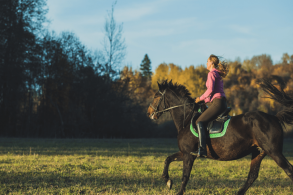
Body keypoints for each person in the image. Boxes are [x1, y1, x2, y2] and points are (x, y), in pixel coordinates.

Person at [192, 54, 229, 157]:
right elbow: (213, 93)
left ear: (212, 63)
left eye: (207, 61)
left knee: (199, 121)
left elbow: (210, 90)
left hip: (217, 103)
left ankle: (202, 149)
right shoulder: (218, 74)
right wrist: (204, 101)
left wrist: (200, 98)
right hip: (221, 102)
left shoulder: (211, 73)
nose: (206, 63)